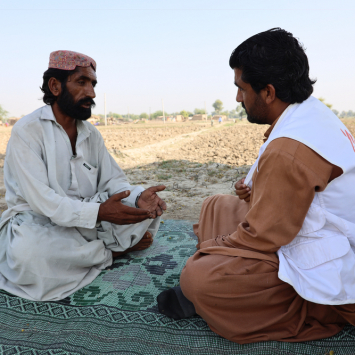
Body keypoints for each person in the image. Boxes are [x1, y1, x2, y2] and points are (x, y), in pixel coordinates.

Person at [157, 28, 355, 344]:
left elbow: (261, 237)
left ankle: (317, 307)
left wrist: (214, 248)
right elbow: (294, 185)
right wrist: (257, 188)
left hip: (326, 258)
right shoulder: (308, 113)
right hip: (301, 225)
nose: (238, 98)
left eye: (242, 88)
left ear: (268, 92)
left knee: (198, 280)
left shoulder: (290, 148)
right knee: (215, 205)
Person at [0, 50, 167, 302]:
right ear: (55, 86)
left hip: (91, 218)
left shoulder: (90, 133)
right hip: (41, 224)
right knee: (30, 255)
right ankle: (112, 253)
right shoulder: (27, 131)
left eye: (93, 84)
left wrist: (138, 197)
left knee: (143, 210)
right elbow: (44, 202)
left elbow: (114, 181)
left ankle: (90, 253)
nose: (91, 93)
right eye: (82, 82)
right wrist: (100, 213)